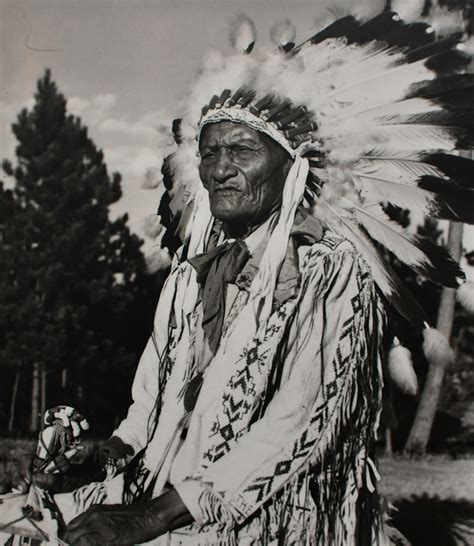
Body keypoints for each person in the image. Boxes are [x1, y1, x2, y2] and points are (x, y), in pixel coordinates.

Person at [3, 8, 474, 546]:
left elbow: (299, 427)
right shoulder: (189, 279)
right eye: (209, 153)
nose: (219, 169)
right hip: (161, 494)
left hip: (267, 520)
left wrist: (153, 516)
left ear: (291, 165)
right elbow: (148, 408)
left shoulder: (331, 272)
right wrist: (109, 452)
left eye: (242, 150)